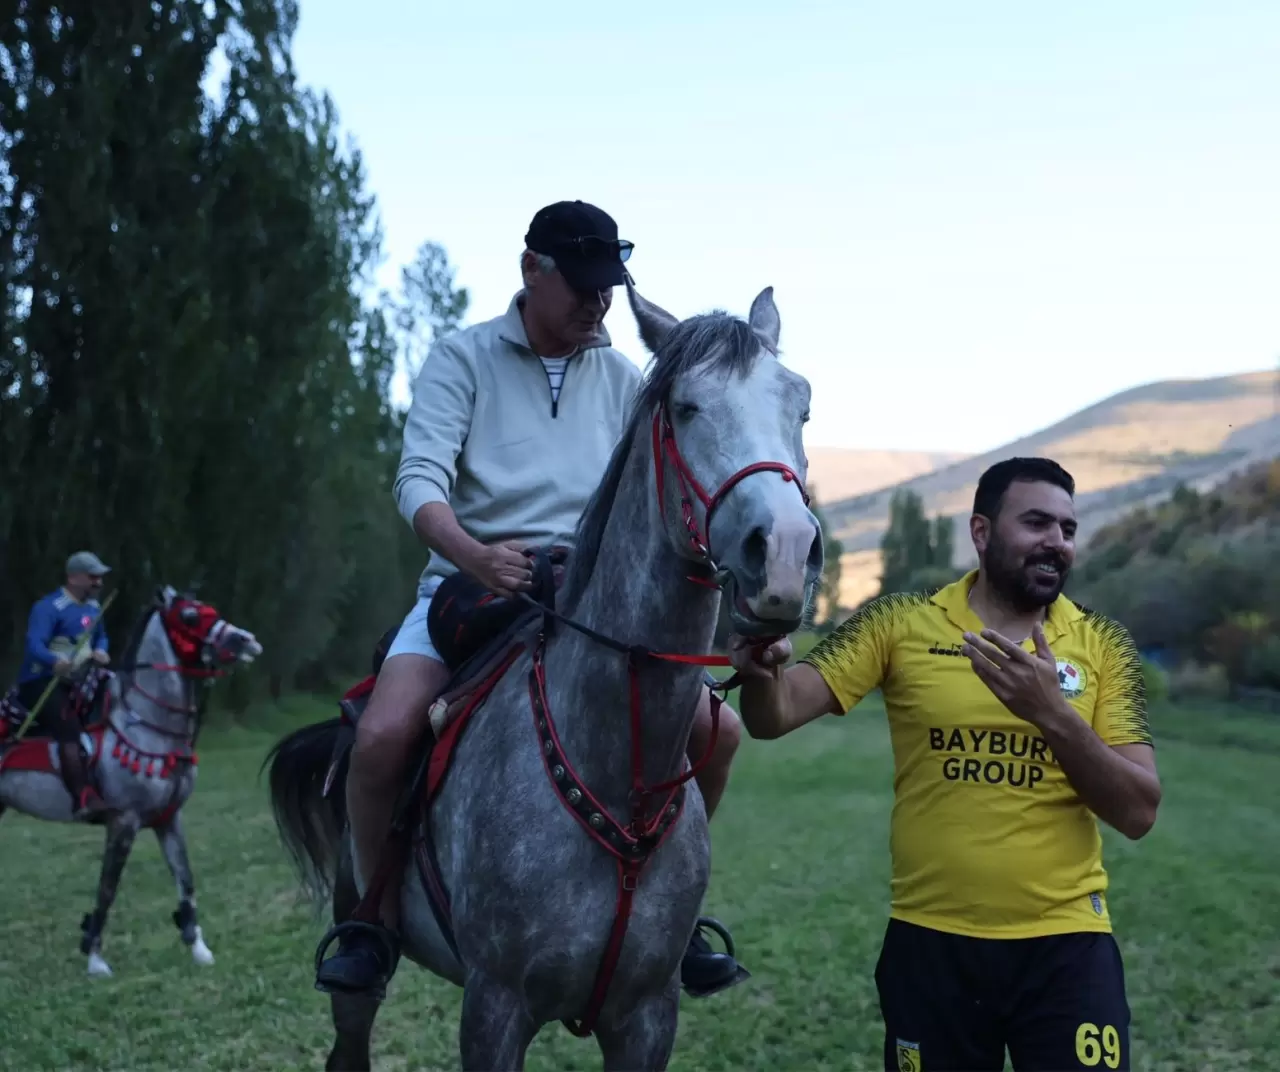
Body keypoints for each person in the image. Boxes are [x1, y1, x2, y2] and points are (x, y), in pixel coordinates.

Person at [316, 200, 748, 998]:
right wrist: (474, 556)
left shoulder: (626, 379)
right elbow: (418, 482)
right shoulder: (463, 357)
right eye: (581, 286)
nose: (598, 303)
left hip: (595, 602)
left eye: (608, 287)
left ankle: (671, 909)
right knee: (380, 738)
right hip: (467, 587)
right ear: (530, 271)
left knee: (715, 736)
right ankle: (370, 919)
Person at [728, 457, 1161, 1072]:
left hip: (1067, 947)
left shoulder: (1103, 644)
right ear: (981, 532)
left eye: (1067, 529)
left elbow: (1138, 811)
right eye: (1036, 522)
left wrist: (1053, 715)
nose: (1055, 542)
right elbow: (774, 716)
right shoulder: (899, 623)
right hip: (932, 942)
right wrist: (763, 666)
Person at [14, 551, 114, 818]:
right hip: (44, 681)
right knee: (69, 731)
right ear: (73, 577)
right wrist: (53, 661)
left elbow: (102, 637)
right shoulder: (49, 607)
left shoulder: (94, 607)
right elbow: (34, 644)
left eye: (100, 578)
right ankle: (83, 798)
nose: (99, 583)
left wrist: (102, 651)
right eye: (93, 577)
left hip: (81, 680)